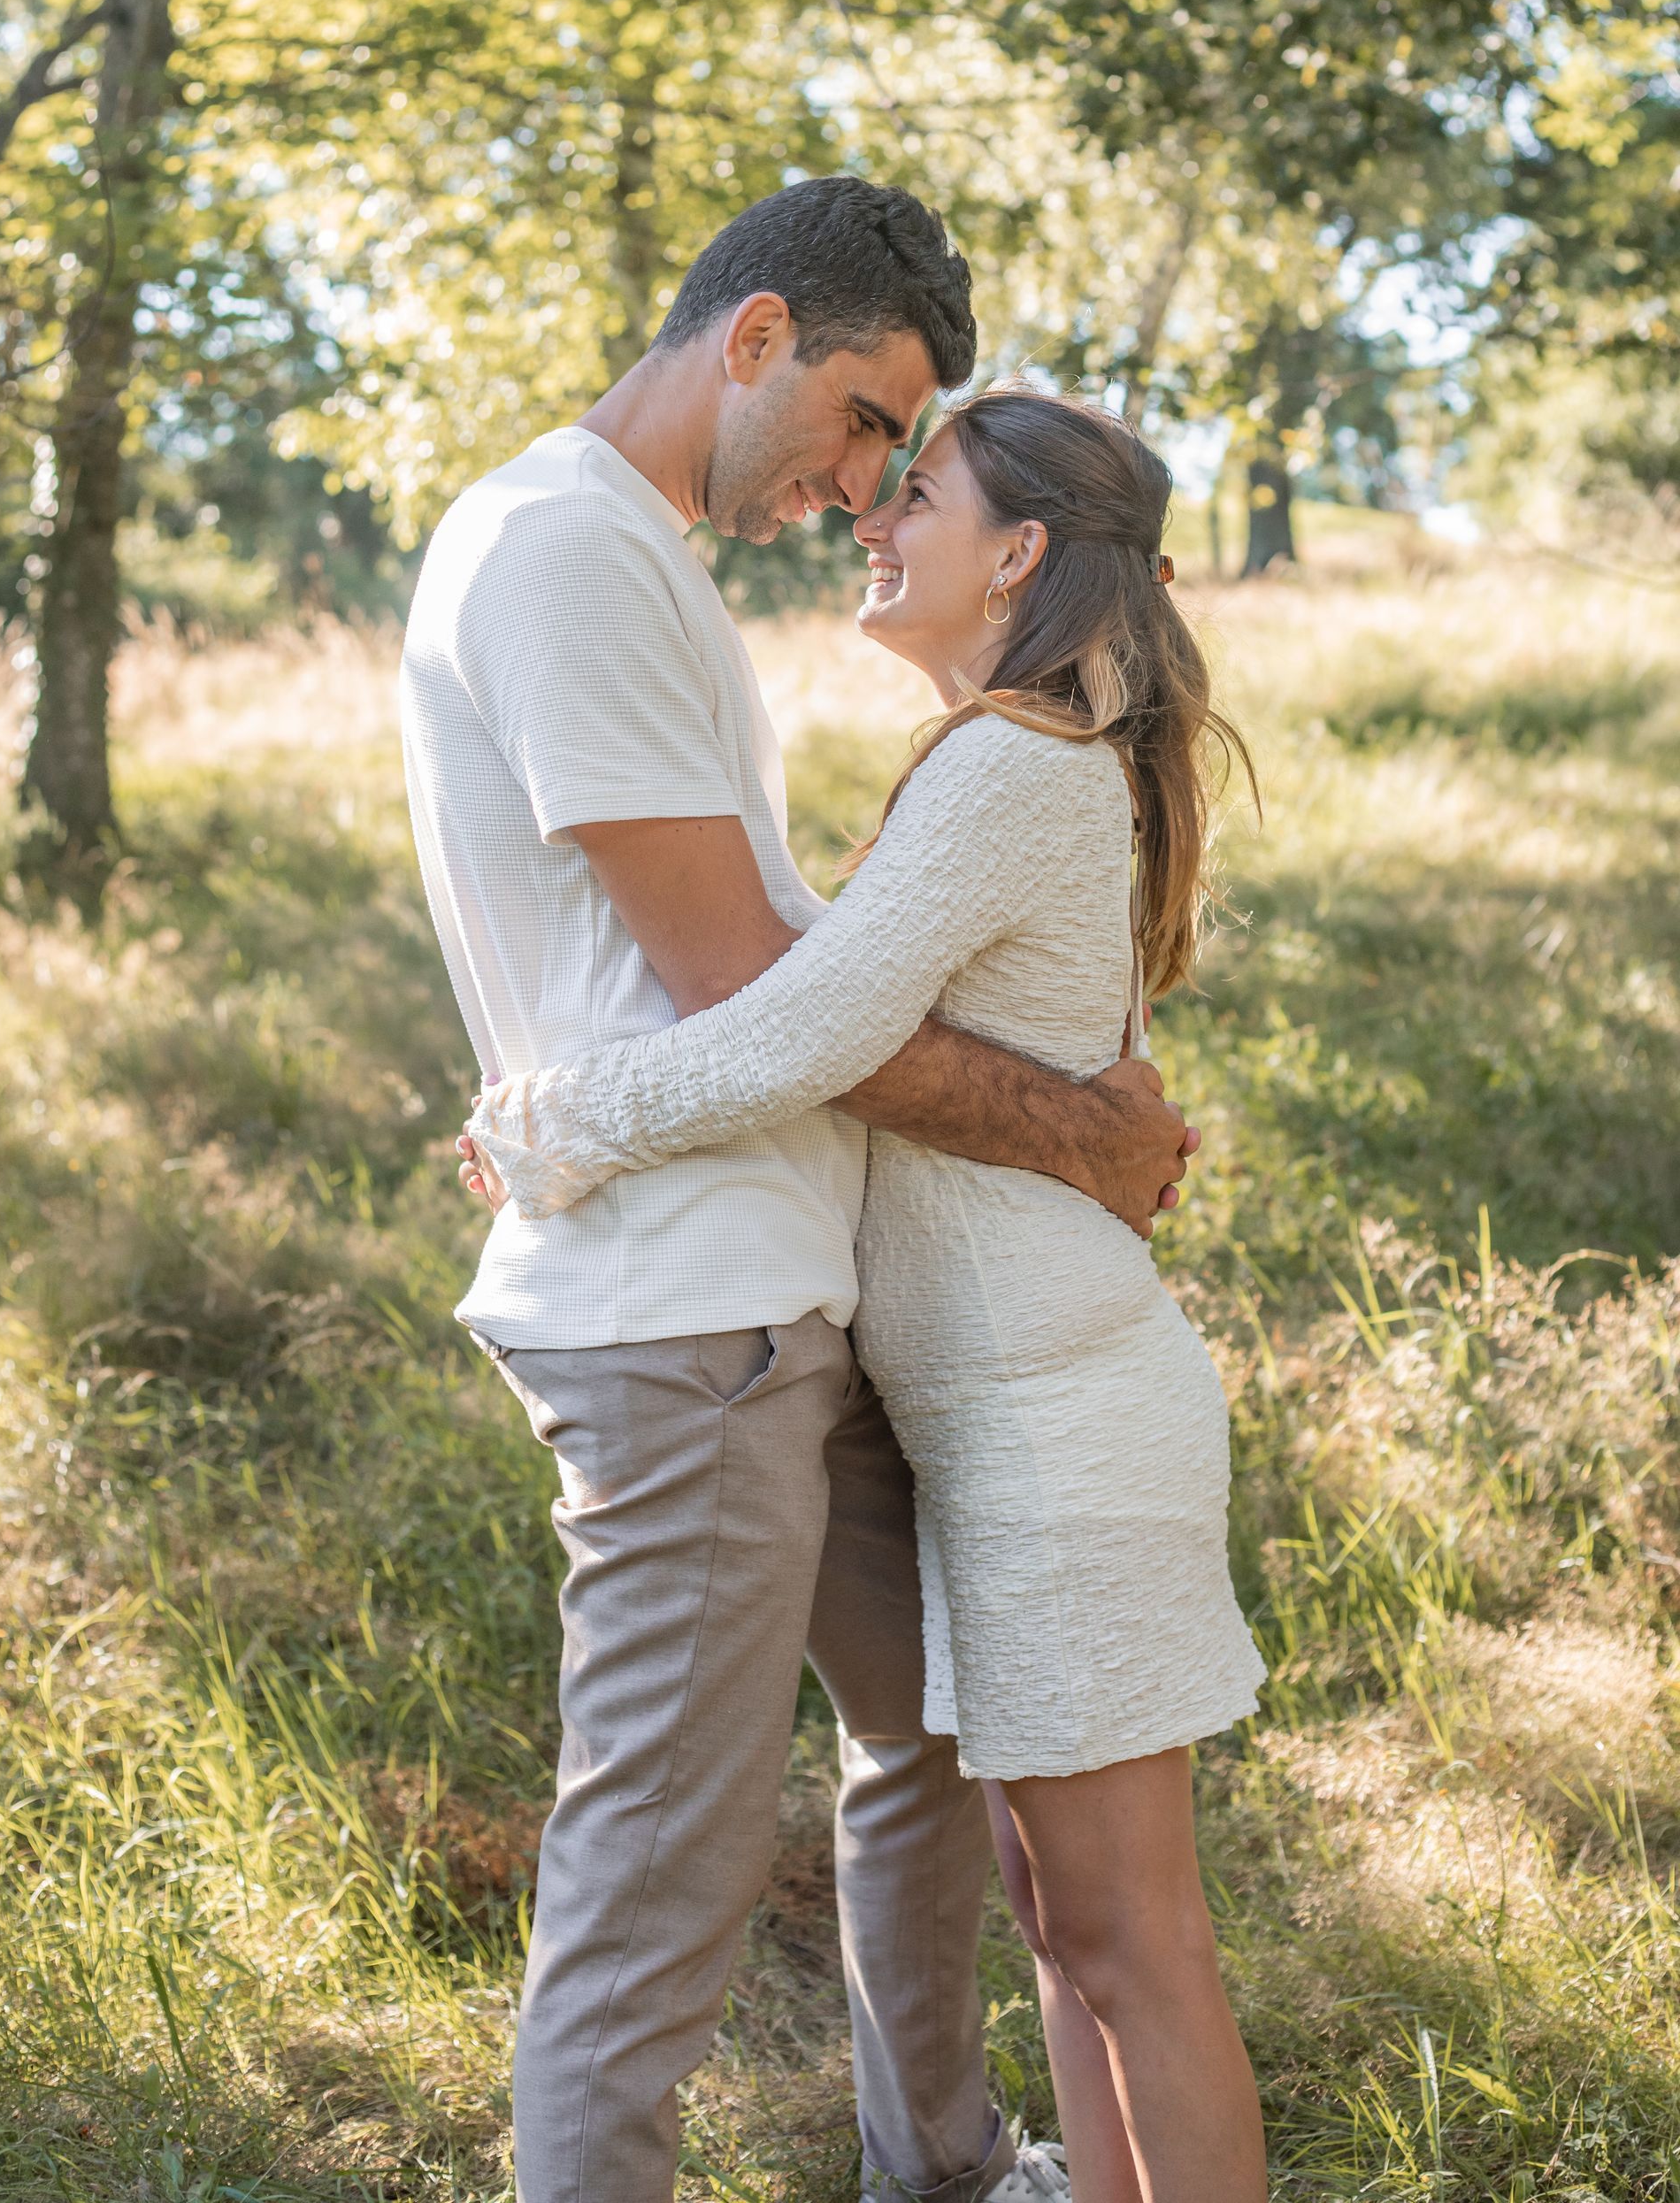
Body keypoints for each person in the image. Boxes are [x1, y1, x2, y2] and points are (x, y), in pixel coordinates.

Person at [400, 176, 1202, 2203]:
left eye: (900, 457)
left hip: (790, 1291)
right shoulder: (566, 552)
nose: (863, 482)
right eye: (865, 417)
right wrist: (1084, 1130)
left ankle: (944, 2167)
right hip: (683, 1312)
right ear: (753, 338)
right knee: (659, 1869)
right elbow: (758, 996)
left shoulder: (637, 566)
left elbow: (808, 974)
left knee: (930, 1740)